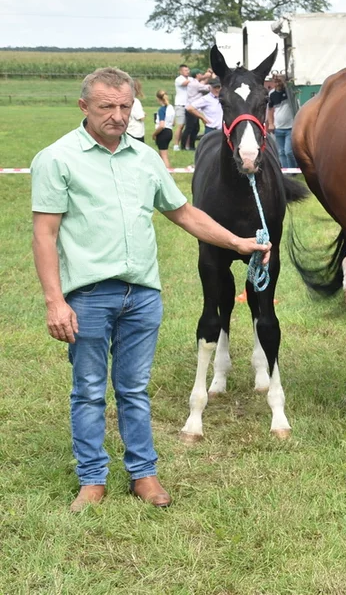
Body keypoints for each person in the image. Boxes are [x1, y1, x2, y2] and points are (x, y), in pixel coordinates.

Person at [30, 67, 271, 513]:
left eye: (125, 107)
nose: (118, 116)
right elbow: (44, 235)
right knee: (87, 389)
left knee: (134, 389)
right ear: (84, 107)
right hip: (88, 296)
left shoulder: (144, 159)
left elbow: (184, 214)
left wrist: (238, 242)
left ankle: (143, 474)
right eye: (107, 107)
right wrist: (54, 300)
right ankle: (92, 480)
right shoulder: (57, 158)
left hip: (142, 294)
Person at [267, 75, 297, 169]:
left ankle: (292, 170)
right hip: (278, 127)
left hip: (290, 127)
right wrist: (271, 123)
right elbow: (270, 110)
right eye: (276, 82)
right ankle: (285, 171)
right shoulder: (272, 94)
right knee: (281, 152)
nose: (277, 84)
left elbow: (292, 91)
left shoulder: (288, 92)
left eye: (279, 82)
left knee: (289, 151)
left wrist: (286, 81)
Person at [153, 90, 175, 169]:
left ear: (158, 99)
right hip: (169, 131)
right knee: (161, 153)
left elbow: (161, 125)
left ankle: (168, 173)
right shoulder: (171, 108)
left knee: (164, 156)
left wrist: (154, 134)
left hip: (163, 132)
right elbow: (173, 123)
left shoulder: (162, 109)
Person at [172, 64, 190, 151]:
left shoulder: (190, 79)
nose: (187, 72)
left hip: (188, 105)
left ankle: (186, 145)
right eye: (185, 70)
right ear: (181, 71)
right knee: (180, 125)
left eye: (188, 70)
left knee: (189, 126)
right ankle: (176, 144)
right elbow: (185, 83)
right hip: (180, 105)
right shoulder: (179, 79)